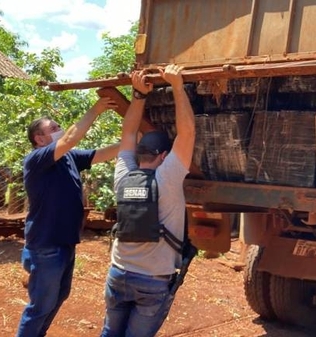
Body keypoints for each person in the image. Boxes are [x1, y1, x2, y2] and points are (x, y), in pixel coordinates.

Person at [100, 64, 195, 337]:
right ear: (164, 156)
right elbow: (187, 133)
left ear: (140, 153)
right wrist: (177, 85)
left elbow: (128, 133)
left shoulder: (123, 175)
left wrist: (139, 95)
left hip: (118, 273)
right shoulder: (167, 178)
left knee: (109, 332)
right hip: (152, 281)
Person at [17, 97, 120, 336]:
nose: (58, 130)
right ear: (39, 139)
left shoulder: (68, 157)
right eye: (52, 129)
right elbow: (70, 138)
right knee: (40, 306)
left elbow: (101, 154)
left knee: (59, 297)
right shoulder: (37, 159)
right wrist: (97, 108)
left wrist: (130, 142)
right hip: (46, 246)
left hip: (64, 243)